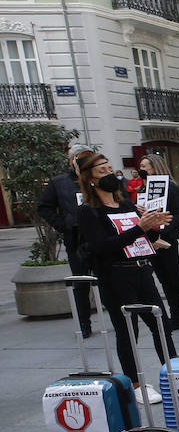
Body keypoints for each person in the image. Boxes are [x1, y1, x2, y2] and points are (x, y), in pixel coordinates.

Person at [73, 150, 175, 405]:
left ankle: (174, 375)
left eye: (109, 168)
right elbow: (103, 246)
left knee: (160, 325)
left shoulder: (127, 205)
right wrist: (139, 228)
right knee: (127, 331)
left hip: (142, 270)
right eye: (102, 171)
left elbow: (144, 238)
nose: (109, 173)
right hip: (115, 275)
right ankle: (136, 383)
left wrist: (153, 226)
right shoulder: (88, 212)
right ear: (90, 179)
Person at [135, 153, 179, 331]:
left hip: (170, 239)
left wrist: (164, 230)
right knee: (164, 281)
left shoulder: (171, 187)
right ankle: (177, 316)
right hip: (152, 242)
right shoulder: (141, 191)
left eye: (145, 166)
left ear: (155, 167)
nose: (142, 169)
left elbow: (178, 216)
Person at [38, 142, 95, 338]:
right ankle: (84, 323)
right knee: (81, 283)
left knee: (106, 279)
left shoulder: (96, 179)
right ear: (72, 161)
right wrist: (64, 225)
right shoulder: (59, 183)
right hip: (76, 238)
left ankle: (116, 316)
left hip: (99, 236)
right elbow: (44, 207)